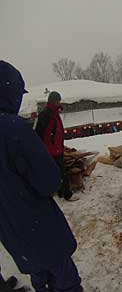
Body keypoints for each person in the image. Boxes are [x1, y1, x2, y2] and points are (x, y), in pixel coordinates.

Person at [0, 61, 83, 292]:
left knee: (40, 277)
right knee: (64, 280)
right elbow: (48, 182)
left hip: (10, 230)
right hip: (37, 222)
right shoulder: (13, 128)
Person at [35, 91, 78, 201]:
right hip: (51, 150)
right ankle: (66, 194)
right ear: (54, 101)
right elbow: (40, 133)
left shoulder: (54, 113)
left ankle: (61, 192)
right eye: (58, 101)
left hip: (56, 148)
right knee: (60, 173)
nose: (59, 103)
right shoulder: (46, 114)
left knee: (58, 172)